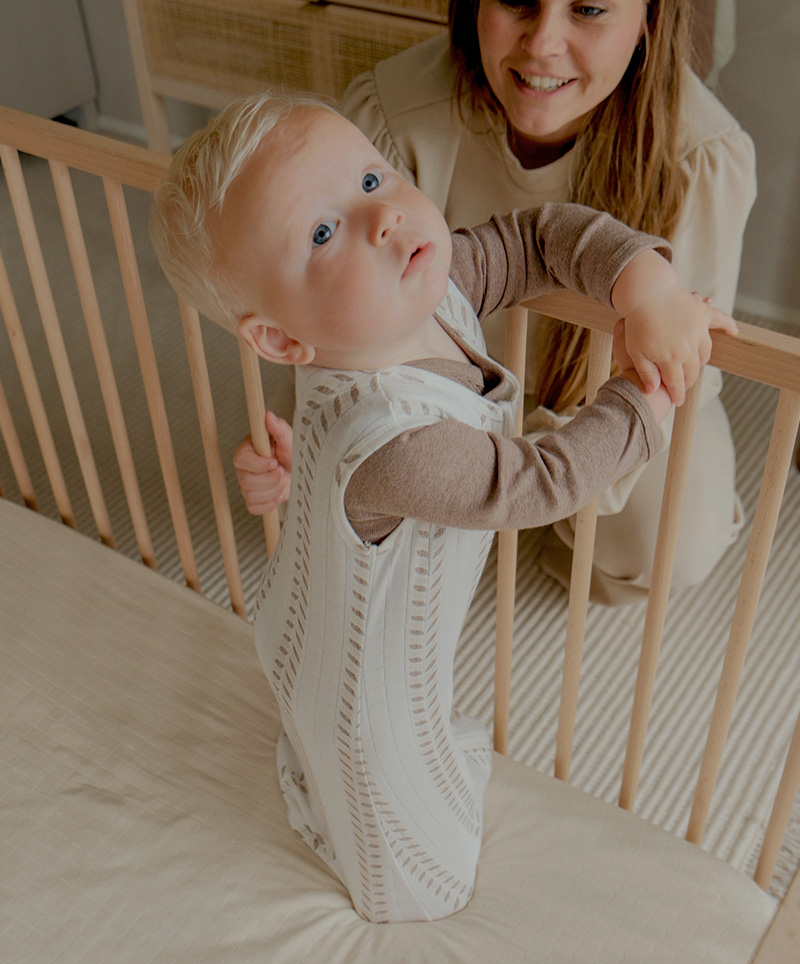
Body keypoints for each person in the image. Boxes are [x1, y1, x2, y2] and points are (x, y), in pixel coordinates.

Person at [149, 91, 736, 921]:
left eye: (370, 178)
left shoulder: (425, 284)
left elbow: (535, 239)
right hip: (359, 695)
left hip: (302, 610)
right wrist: (651, 389)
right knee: (420, 870)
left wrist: (647, 287)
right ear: (281, 341)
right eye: (324, 233)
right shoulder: (400, 447)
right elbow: (543, 479)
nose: (383, 217)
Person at [234, 0, 756, 605]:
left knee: (670, 535)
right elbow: (330, 328)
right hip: (427, 379)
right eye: (515, 0)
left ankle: (553, 538)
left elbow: (664, 363)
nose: (543, 43)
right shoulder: (392, 112)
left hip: (604, 392)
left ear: (649, 16)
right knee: (298, 470)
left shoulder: (703, 156)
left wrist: (549, 461)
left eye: (588, 9)